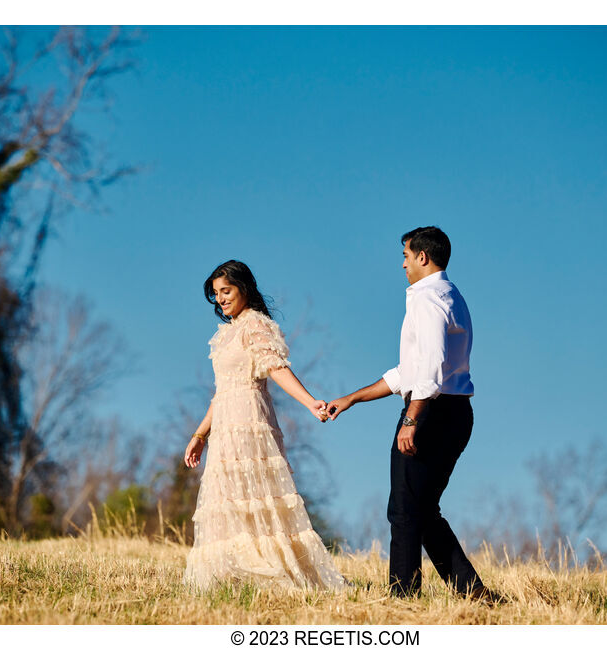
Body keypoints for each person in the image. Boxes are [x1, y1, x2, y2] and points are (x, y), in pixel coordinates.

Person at [327, 226, 499, 601]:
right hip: (456, 413)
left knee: (405, 511)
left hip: (430, 413)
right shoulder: (452, 295)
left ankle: (403, 599)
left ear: (423, 257)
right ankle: (475, 594)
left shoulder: (426, 298)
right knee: (422, 511)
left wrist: (411, 419)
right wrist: (351, 399)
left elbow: (431, 369)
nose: (402, 263)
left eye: (406, 255)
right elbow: (410, 370)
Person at [182, 260, 346, 592]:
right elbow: (221, 391)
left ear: (245, 288)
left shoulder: (256, 325)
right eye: (216, 294)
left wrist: (309, 400)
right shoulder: (226, 333)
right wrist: (201, 434)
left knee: (256, 495)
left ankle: (272, 572)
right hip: (226, 423)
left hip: (249, 420)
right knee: (230, 499)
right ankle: (236, 576)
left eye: (226, 291)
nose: (221, 300)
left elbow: (276, 368)